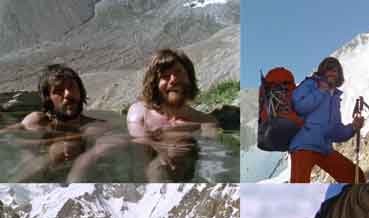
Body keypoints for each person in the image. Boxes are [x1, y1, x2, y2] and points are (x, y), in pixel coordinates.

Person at [0, 64, 114, 181]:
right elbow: (5, 136)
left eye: (72, 87)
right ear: (48, 98)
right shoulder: (37, 120)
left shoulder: (96, 127)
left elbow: (109, 146)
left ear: (80, 91)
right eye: (59, 90)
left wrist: (87, 158)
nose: (68, 94)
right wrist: (27, 151)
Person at [127, 48, 218, 182]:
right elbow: (139, 143)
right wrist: (160, 151)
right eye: (165, 76)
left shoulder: (206, 122)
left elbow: (212, 154)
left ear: (189, 77)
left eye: (178, 72)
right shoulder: (139, 113)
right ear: (154, 84)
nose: (173, 80)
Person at [288, 57, 366, 183]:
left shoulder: (334, 97)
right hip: (304, 146)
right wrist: (320, 91)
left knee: (356, 177)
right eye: (328, 69)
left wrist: (352, 128)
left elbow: (335, 131)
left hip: (324, 149)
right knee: (299, 188)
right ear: (322, 72)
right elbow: (299, 106)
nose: (332, 73)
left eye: (335, 71)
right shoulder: (311, 84)